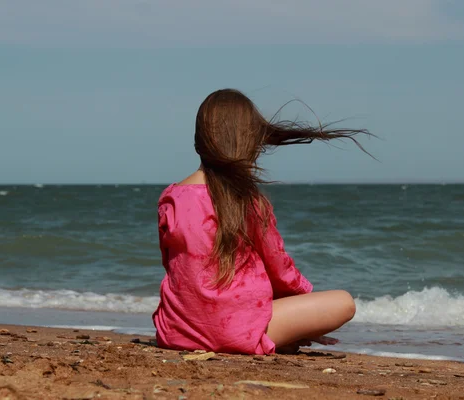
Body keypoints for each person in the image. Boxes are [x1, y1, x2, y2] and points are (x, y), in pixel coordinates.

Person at [153, 89, 369, 355]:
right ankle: (273, 337)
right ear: (249, 143)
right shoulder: (248, 201)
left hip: (178, 332)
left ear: (199, 141)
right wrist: (304, 313)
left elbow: (175, 268)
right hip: (238, 331)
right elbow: (281, 271)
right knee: (344, 302)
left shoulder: (171, 198)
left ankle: (275, 336)